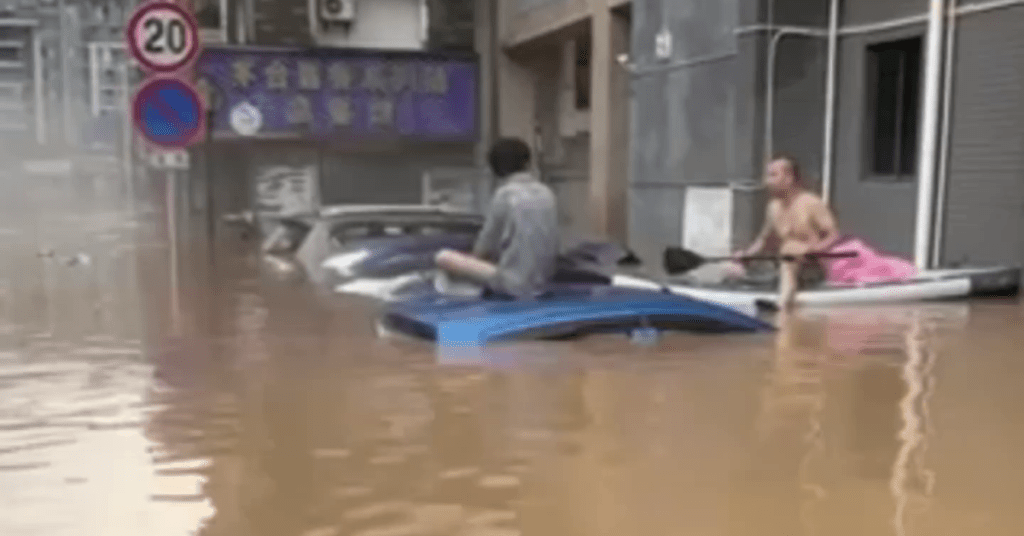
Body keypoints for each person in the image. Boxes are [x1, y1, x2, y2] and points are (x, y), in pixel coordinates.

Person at [434, 137, 561, 298]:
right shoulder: (547, 193)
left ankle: (464, 295)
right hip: (542, 282)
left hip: (512, 283)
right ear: (528, 163)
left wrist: (470, 261)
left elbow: (485, 246)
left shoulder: (505, 195)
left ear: (495, 169)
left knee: (443, 257)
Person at [733, 155, 840, 308]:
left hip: (811, 265)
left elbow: (833, 235)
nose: (767, 181)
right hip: (785, 264)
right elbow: (764, 240)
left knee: (791, 247)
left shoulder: (811, 203)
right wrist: (747, 255)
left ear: (789, 177)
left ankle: (782, 305)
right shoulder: (773, 207)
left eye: (773, 175)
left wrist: (814, 249)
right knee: (732, 269)